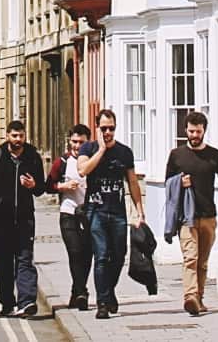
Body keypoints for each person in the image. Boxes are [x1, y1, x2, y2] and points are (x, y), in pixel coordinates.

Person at [165, 111, 218, 316]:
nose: (194, 135)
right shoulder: (176, 155)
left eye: (198, 131)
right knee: (191, 258)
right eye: (191, 131)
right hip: (186, 216)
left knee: (203, 262)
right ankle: (190, 296)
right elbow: (168, 183)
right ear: (185, 130)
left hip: (208, 215)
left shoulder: (215, 155)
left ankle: (199, 298)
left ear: (204, 130)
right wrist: (179, 182)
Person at [79, 108, 145, 320]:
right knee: (101, 256)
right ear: (97, 128)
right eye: (104, 128)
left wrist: (139, 211)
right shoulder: (87, 148)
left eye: (111, 129)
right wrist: (100, 151)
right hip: (95, 210)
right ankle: (102, 303)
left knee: (118, 256)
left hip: (117, 212)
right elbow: (83, 170)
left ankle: (108, 291)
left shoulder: (124, 152)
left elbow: (132, 182)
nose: (108, 133)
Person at [0, 120, 47, 318]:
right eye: (14, 136)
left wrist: (34, 184)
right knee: (3, 263)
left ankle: (27, 302)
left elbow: (40, 189)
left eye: (21, 136)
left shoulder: (33, 157)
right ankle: (7, 303)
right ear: (7, 136)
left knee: (25, 259)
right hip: (1, 220)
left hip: (25, 218)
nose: (18, 140)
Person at [46, 124, 94, 311]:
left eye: (81, 142)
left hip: (89, 213)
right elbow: (48, 185)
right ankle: (82, 291)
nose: (77, 146)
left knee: (87, 254)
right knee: (74, 252)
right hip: (68, 212)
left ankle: (76, 291)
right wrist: (63, 187)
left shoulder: (92, 161)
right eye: (74, 142)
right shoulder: (62, 162)